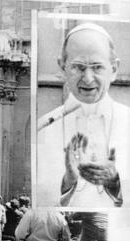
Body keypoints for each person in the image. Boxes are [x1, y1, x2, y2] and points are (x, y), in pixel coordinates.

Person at [37, 23, 130, 208]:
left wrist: (116, 183)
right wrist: (67, 182)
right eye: (78, 67)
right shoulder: (44, 128)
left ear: (114, 69)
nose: (88, 78)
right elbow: (38, 203)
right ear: (62, 67)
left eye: (97, 67)